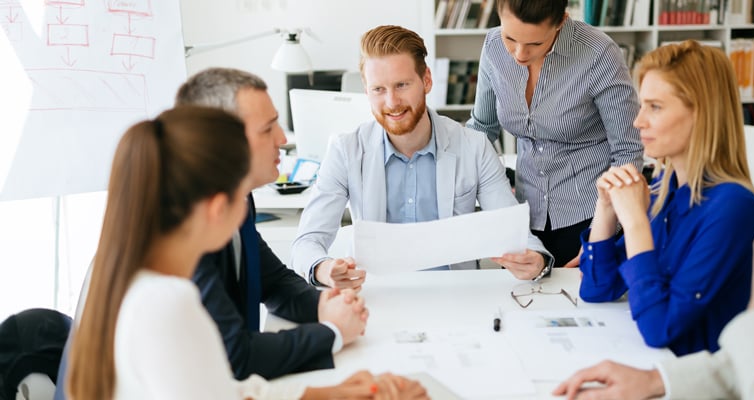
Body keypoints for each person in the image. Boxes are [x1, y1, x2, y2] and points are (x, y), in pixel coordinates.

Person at [66, 106, 428, 399]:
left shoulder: (133, 270)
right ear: (216, 207)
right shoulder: (166, 302)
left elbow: (221, 388)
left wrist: (327, 394)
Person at [291, 25, 553, 289]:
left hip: (456, 295)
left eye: (402, 85)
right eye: (378, 89)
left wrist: (537, 259)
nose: (392, 102)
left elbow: (510, 228)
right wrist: (323, 269)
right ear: (366, 89)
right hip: (378, 295)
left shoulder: (474, 147)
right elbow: (307, 241)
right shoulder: (345, 150)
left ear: (426, 80)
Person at [577, 40, 754, 356]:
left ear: (701, 113)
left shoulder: (733, 208)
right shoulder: (666, 189)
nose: (638, 121)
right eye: (642, 106)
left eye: (655, 106)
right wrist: (607, 209)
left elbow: (659, 329)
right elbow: (597, 289)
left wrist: (636, 222)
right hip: (656, 368)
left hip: (697, 383)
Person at [174, 68, 366, 379]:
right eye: (267, 129)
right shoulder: (188, 226)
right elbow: (235, 356)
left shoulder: (240, 199)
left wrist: (324, 303)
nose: (282, 138)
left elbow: (273, 283)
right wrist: (333, 332)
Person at [465, 0, 643, 268]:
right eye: (509, 37)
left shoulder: (598, 53)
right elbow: (481, 130)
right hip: (524, 214)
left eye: (535, 44)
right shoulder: (492, 47)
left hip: (589, 213)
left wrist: (601, 233)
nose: (519, 54)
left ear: (561, 22)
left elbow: (628, 150)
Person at [554, 215, 754, 400]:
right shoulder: (666, 197)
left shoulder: (731, 207)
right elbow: (742, 366)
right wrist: (655, 380)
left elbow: (659, 327)